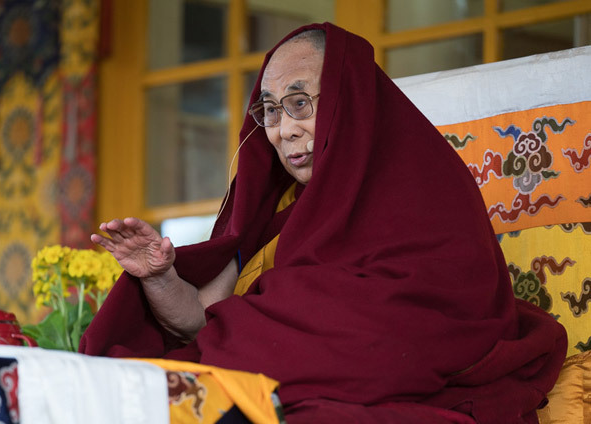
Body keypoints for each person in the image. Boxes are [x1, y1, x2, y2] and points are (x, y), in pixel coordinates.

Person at [81, 22, 566, 423]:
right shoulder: (274, 209)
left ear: (348, 98)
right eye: (271, 111)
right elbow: (203, 323)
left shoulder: (423, 186)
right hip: (282, 386)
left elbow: (415, 333)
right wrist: (160, 277)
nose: (284, 129)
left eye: (300, 103)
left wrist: (253, 332)